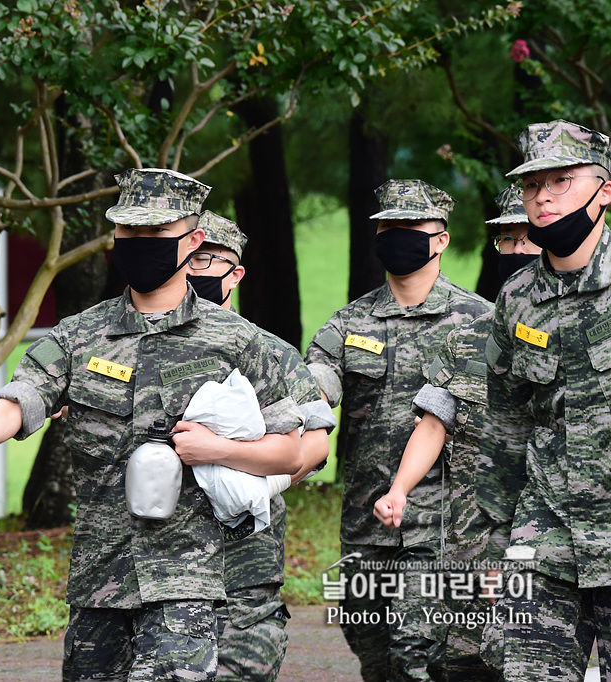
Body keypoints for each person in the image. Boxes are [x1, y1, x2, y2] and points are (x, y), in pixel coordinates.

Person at [0, 168, 305, 682]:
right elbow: (16, 406)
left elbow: (291, 453)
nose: (140, 244)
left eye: (155, 234)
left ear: (194, 239)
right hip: (99, 588)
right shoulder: (79, 336)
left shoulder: (242, 343)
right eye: (129, 232)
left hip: (184, 585)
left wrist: (216, 449)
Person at [304, 179, 492, 682]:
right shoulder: (349, 323)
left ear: (441, 240)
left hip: (444, 523)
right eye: (388, 227)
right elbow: (314, 390)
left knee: (416, 654)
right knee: (373, 654)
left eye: (411, 227)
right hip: (366, 521)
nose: (397, 236)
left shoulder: (479, 321)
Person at [372, 185, 540, 681]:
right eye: (505, 241)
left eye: (526, 238)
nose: (516, 251)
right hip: (468, 536)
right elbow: (433, 422)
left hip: (544, 535)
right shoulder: (466, 338)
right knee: (463, 663)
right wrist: (399, 490)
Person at [478, 119, 611, 681]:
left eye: (563, 179)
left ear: (604, 189)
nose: (544, 196)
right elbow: (505, 419)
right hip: (547, 527)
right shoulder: (517, 296)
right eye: (533, 185)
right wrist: (492, 540)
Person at [185, 211, 335, 681]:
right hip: (152, 559)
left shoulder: (270, 353)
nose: (197, 268)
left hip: (244, 558)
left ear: (236, 273)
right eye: (189, 256)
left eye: (210, 258)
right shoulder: (135, 347)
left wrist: (248, 476)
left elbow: (315, 448)